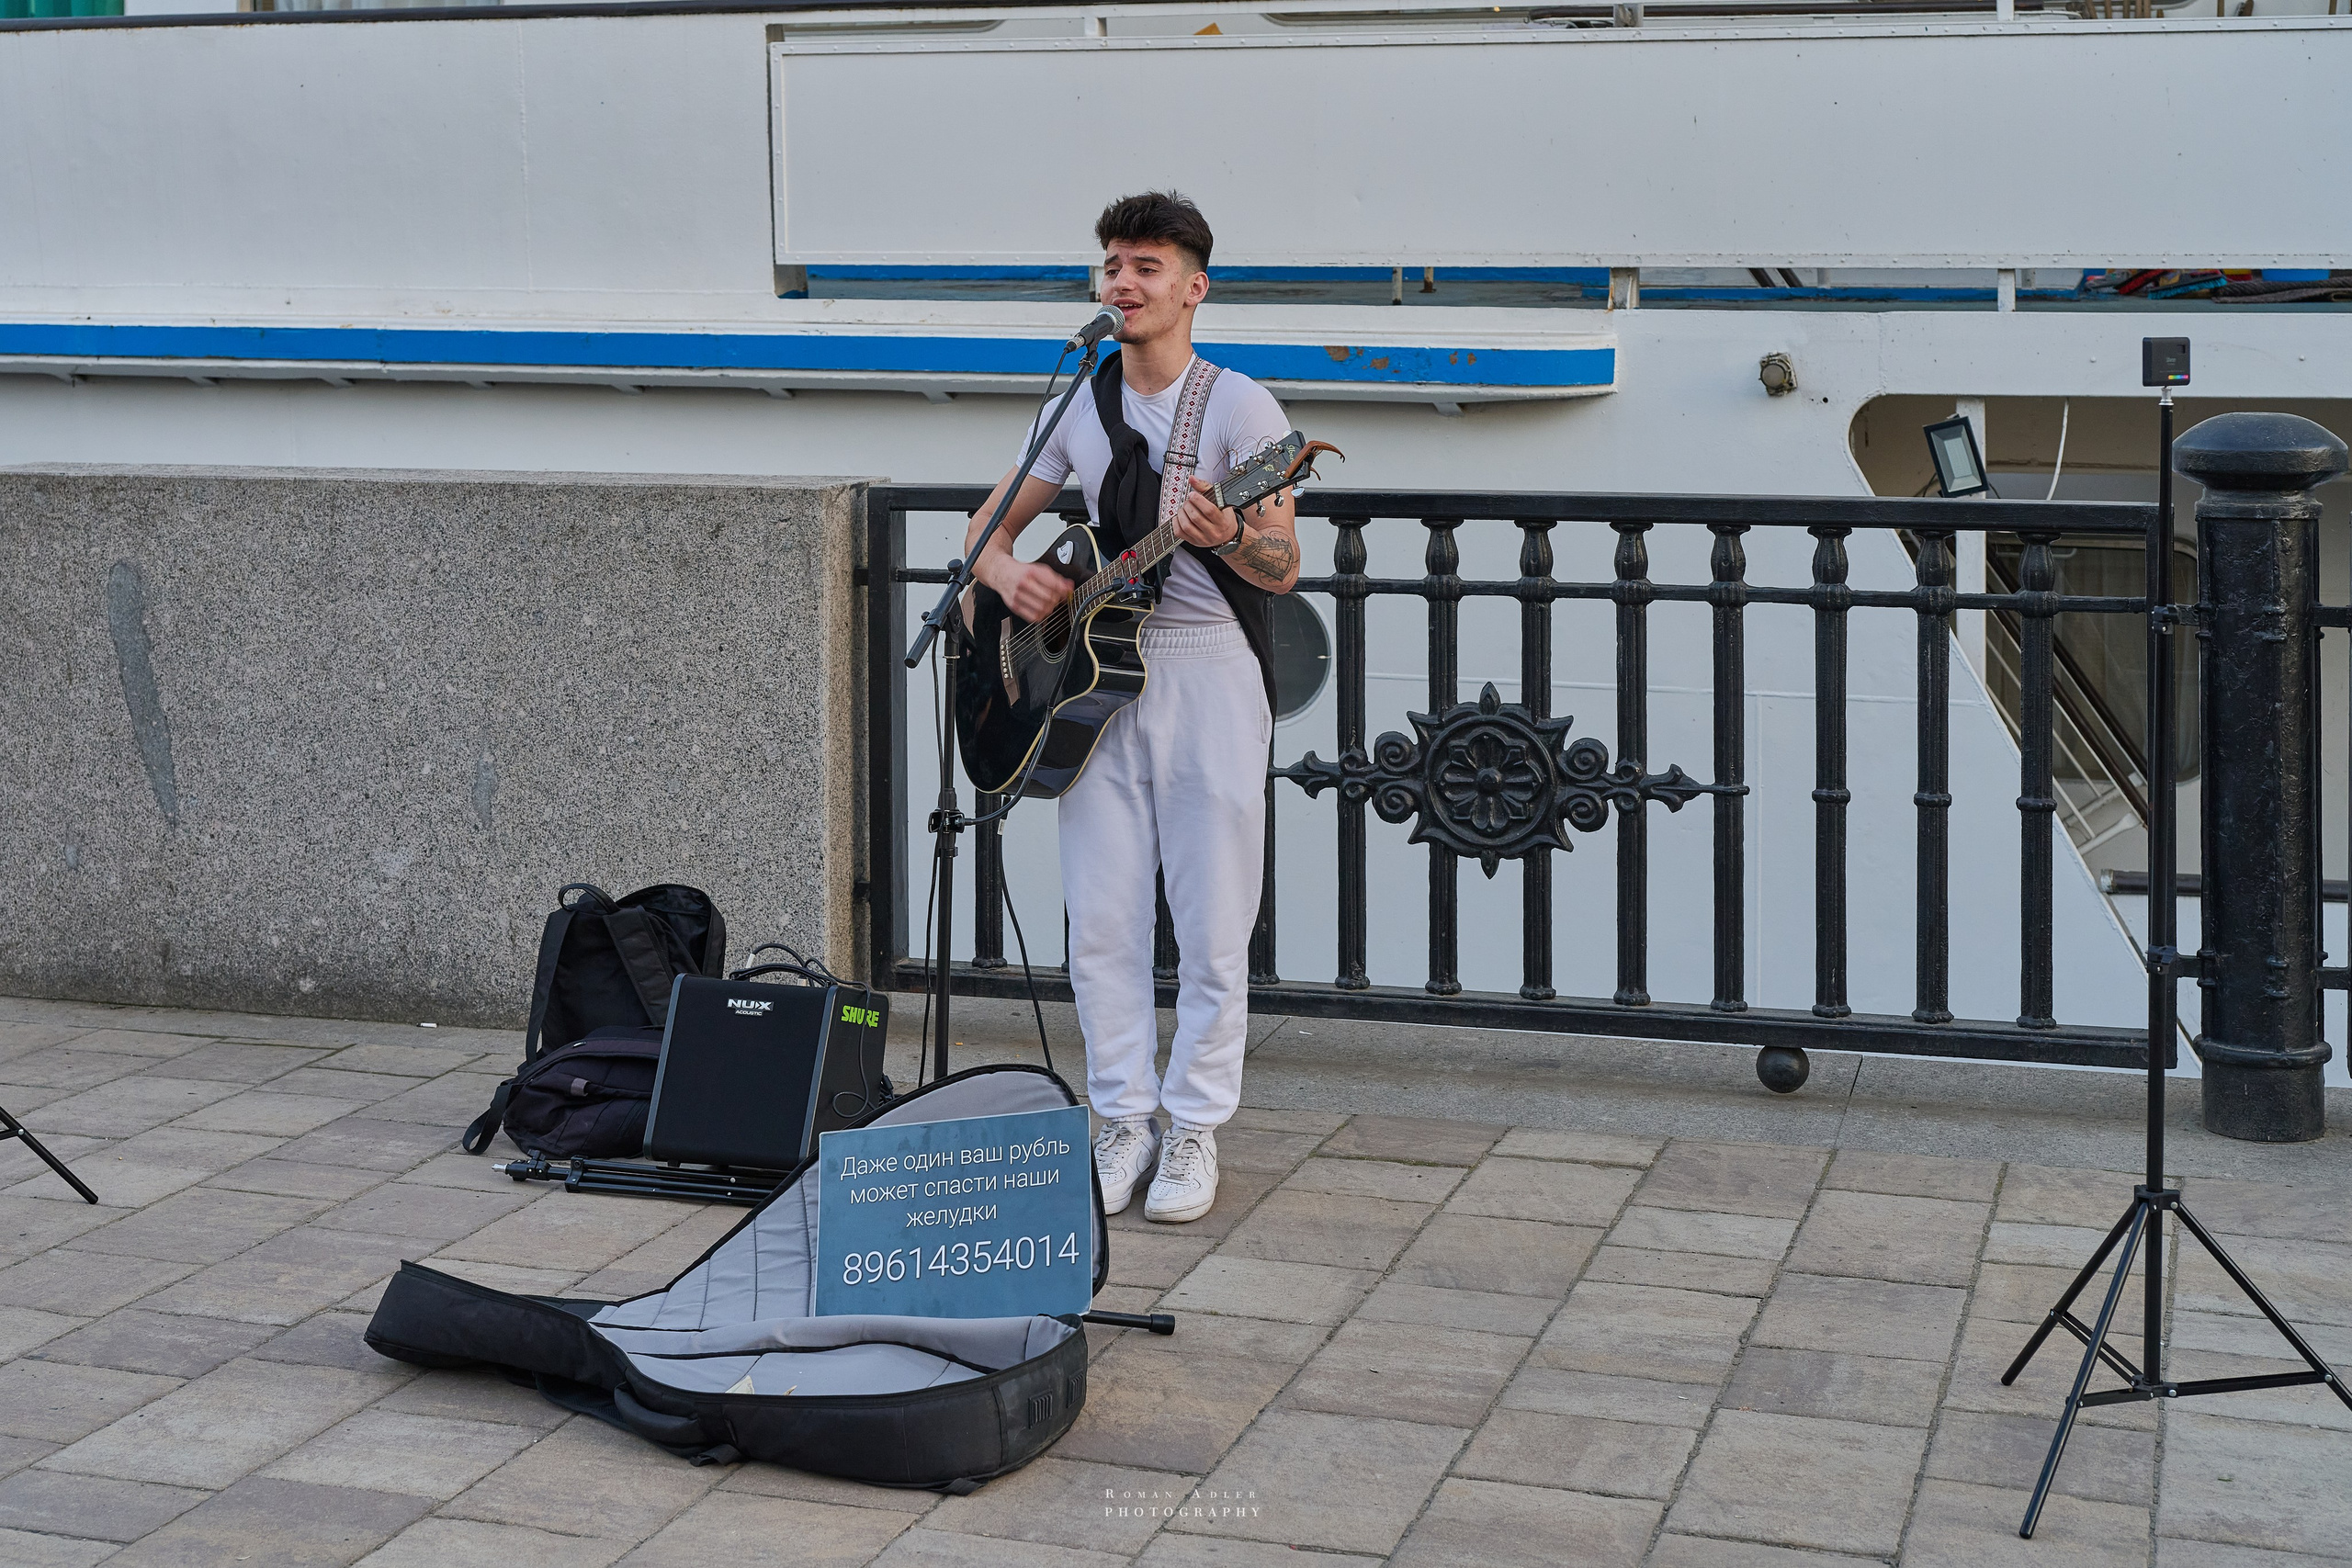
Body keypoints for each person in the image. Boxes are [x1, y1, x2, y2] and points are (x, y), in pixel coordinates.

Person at [962, 191, 1300, 1224]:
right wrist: (1002, 572)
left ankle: (1193, 1130)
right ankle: (1120, 1122)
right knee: (1101, 918)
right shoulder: (1080, 401)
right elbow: (985, 525)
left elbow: (1283, 566)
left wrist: (1227, 537)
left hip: (1204, 669)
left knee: (1209, 920)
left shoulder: (1241, 408)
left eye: (1146, 266)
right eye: (1112, 264)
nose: (1122, 282)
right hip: (1091, 686)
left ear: (1193, 288)